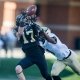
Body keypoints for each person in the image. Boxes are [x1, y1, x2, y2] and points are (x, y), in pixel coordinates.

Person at [14, 5, 52, 80]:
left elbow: (44, 31)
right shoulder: (16, 30)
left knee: (45, 75)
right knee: (18, 68)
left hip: (38, 54)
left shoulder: (33, 25)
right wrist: (23, 21)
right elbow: (20, 34)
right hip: (29, 56)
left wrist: (34, 22)